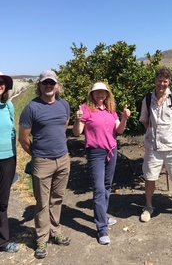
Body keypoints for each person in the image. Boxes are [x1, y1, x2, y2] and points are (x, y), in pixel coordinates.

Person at [18, 70, 71, 259]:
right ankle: (42, 238)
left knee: (57, 198)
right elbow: (23, 138)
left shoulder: (64, 105)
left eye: (52, 83)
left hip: (63, 159)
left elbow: (64, 126)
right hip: (42, 161)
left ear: (57, 85)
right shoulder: (32, 108)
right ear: (39, 85)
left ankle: (55, 231)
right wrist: (38, 155)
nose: (48, 86)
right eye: (45, 83)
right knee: (42, 202)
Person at [72, 81, 130, 245]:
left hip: (111, 150)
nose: (100, 95)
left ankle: (102, 215)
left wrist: (124, 117)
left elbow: (119, 130)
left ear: (107, 94)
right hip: (96, 152)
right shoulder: (85, 109)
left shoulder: (111, 109)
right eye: (97, 92)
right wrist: (77, 120)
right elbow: (77, 133)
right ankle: (102, 229)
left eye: (103, 92)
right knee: (98, 189)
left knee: (106, 185)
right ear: (92, 94)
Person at [139, 67, 172, 223]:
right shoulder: (147, 100)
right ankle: (148, 206)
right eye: (159, 80)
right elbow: (145, 121)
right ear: (155, 80)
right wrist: (155, 135)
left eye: (165, 81)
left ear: (169, 82)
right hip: (153, 147)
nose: (162, 84)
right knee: (150, 177)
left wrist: (171, 135)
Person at [0, 72, 20, 253]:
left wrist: (14, 157)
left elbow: (13, 131)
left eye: (1, 82)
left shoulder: (8, 106)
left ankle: (3, 242)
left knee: (2, 202)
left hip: (7, 158)